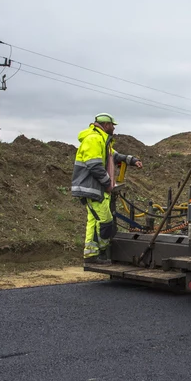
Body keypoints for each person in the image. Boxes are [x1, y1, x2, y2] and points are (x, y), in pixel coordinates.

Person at [71, 113, 142, 266]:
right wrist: (108, 184)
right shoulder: (93, 139)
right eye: (112, 125)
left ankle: (91, 255)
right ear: (106, 125)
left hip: (97, 189)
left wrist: (132, 160)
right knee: (105, 221)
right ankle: (102, 252)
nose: (114, 128)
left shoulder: (103, 140)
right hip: (91, 188)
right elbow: (95, 166)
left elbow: (115, 156)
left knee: (94, 221)